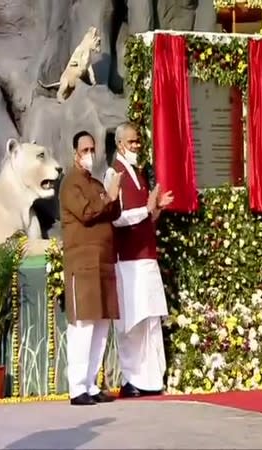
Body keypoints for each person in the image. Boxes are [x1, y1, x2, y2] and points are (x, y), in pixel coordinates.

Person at [103, 122, 174, 398]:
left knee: (150, 319)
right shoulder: (114, 173)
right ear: (120, 144)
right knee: (132, 322)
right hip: (128, 261)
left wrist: (156, 209)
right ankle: (133, 379)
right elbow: (116, 217)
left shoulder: (140, 174)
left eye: (138, 142)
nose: (137, 147)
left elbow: (145, 218)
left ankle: (152, 379)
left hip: (147, 257)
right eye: (132, 142)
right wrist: (145, 209)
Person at [60, 130, 123, 405]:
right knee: (84, 324)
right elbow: (86, 213)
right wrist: (107, 198)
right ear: (75, 153)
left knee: (100, 324)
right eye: (84, 150)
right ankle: (77, 388)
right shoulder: (70, 184)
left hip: (103, 262)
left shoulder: (97, 183)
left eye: (92, 149)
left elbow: (113, 212)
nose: (89, 154)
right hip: (82, 264)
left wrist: (112, 194)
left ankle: (91, 384)